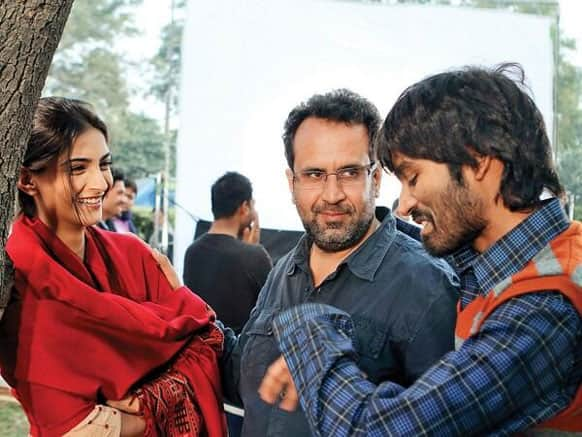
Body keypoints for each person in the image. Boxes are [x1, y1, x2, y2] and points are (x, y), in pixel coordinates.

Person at [259, 64, 582, 435]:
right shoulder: (496, 274)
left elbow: (382, 431)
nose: (404, 205)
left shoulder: (546, 306)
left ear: (479, 162)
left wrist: (309, 334)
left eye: (413, 177)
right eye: (313, 174)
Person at [222, 89, 459, 436]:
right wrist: (177, 310)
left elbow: (444, 424)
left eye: (349, 172)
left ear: (375, 179)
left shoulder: (427, 285)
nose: (331, 194)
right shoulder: (282, 272)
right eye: (314, 174)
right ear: (292, 183)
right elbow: (239, 378)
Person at [0, 97, 227, 436]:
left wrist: (151, 399)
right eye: (78, 168)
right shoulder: (18, 280)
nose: (101, 183)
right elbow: (67, 423)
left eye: (103, 164)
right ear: (27, 180)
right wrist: (162, 398)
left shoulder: (133, 253)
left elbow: (209, 339)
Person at [183, 171, 272, 334]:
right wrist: (253, 249)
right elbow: (273, 307)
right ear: (245, 207)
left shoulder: (192, 252)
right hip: (240, 354)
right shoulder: (254, 256)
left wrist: (249, 248)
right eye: (253, 205)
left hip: (203, 350)